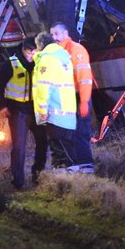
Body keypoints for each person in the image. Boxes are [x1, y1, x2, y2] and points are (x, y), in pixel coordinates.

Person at [0, 36, 48, 189]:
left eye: (34, 53)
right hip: (18, 111)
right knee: (19, 147)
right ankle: (18, 180)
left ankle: (38, 174)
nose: (32, 57)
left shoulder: (40, 63)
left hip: (37, 109)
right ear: (24, 50)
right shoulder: (11, 64)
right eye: (29, 53)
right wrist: (2, 106)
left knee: (43, 142)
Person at [50, 22, 95, 173]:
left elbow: (85, 78)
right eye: (52, 34)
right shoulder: (58, 52)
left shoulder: (76, 50)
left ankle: (86, 164)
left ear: (65, 33)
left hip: (79, 96)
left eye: (56, 34)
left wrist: (84, 101)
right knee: (69, 131)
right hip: (68, 97)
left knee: (81, 131)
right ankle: (76, 164)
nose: (54, 37)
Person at [32, 32, 77, 170]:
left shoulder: (47, 59)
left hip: (55, 114)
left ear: (40, 45)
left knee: (59, 155)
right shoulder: (63, 58)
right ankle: (74, 183)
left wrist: (42, 110)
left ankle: (62, 185)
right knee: (68, 152)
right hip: (67, 114)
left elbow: (44, 87)